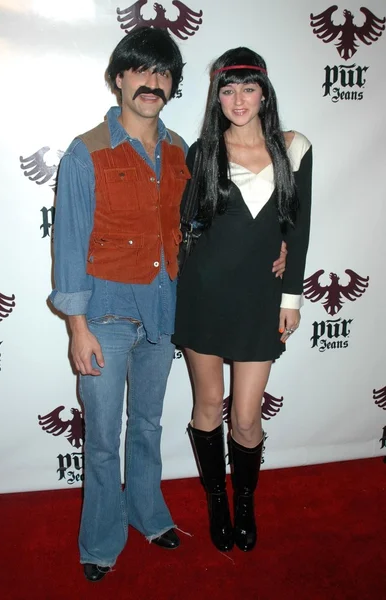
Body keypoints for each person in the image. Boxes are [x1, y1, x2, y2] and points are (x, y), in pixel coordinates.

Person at [49, 27, 190, 582]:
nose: (152, 83)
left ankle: (148, 514)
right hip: (104, 319)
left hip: (162, 316)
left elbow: (191, 231)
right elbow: (69, 245)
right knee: (104, 438)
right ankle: (102, 540)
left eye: (162, 73)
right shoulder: (87, 153)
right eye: (141, 71)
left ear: (171, 84)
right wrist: (76, 329)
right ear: (119, 79)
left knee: (149, 426)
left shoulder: (180, 151)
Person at [172, 47, 312, 553]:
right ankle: (216, 499)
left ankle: (245, 498)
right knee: (208, 405)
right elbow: (188, 226)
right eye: (228, 89)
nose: (238, 99)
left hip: (260, 298)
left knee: (247, 417)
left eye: (248, 88)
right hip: (203, 296)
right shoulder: (201, 152)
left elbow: (298, 230)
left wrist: (290, 294)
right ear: (216, 96)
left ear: (264, 93)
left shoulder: (293, 148)